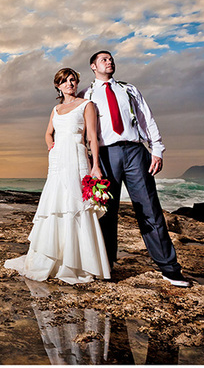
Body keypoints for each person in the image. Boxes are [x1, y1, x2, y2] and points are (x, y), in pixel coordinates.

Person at [81, 50, 191, 287]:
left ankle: (170, 268)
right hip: (106, 155)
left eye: (111, 59)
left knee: (149, 208)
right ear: (93, 66)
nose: (109, 62)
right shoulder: (86, 95)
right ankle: (106, 265)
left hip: (134, 152)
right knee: (105, 213)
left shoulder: (129, 89)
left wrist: (157, 149)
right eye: (104, 60)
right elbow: (80, 130)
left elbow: (146, 118)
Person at [5, 68, 111, 284]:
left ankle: (78, 263)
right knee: (56, 204)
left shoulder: (87, 105)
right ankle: (53, 259)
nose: (69, 84)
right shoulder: (56, 109)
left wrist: (95, 166)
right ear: (58, 86)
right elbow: (47, 133)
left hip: (77, 156)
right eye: (64, 81)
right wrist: (50, 146)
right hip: (57, 160)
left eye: (72, 80)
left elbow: (92, 137)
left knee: (76, 204)